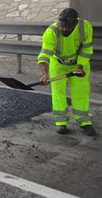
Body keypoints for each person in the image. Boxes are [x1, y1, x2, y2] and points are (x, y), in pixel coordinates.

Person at [37, 8, 96, 136]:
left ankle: (84, 121)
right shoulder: (51, 31)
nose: (64, 29)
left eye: (68, 27)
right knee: (58, 92)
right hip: (58, 64)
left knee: (81, 92)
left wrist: (80, 66)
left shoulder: (85, 27)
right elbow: (44, 54)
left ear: (75, 23)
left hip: (79, 63)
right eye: (62, 26)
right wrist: (45, 74)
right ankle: (61, 122)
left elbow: (86, 50)